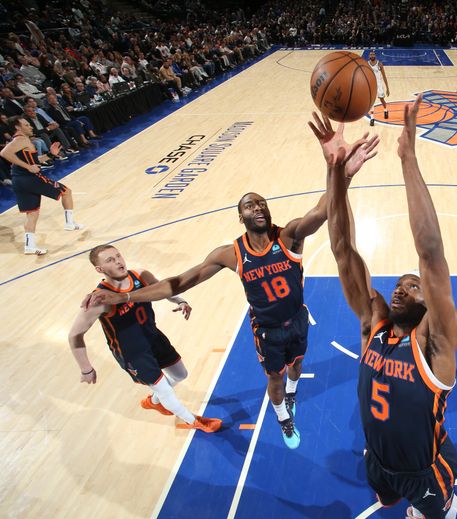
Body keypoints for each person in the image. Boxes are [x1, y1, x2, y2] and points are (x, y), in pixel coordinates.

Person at [85, 122, 379, 449]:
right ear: (241, 217)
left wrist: (341, 171)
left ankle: (292, 397)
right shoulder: (230, 254)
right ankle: (283, 415)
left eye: (260, 203)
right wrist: (126, 294)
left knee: (297, 366)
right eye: (249, 205)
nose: (257, 207)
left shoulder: (289, 236)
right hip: (266, 329)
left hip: (297, 319)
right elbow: (176, 283)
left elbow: (324, 209)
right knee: (275, 378)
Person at [319, 95, 457, 519]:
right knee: (385, 503)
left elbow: (431, 253)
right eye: (399, 283)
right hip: (377, 458)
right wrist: (336, 176)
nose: (402, 287)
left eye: (412, 285)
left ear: (427, 303)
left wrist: (408, 157)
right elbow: (343, 251)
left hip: (428, 472)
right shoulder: (374, 324)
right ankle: (410, 509)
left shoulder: (435, 341)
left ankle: (437, 514)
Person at [68, 245, 221, 432]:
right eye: (109, 260)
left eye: (118, 255)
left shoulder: (140, 276)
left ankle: (154, 401)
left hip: (153, 336)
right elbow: (74, 335)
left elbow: (164, 289)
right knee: (164, 389)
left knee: (181, 374)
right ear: (99, 270)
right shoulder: (98, 300)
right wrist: (86, 369)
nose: (118, 261)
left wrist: (180, 301)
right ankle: (194, 421)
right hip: (132, 352)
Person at [0, 116, 84, 255]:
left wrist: (51, 155)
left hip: (19, 181)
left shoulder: (22, 141)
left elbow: (35, 160)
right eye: (26, 125)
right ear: (17, 127)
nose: (30, 126)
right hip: (29, 178)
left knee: (32, 213)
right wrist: (28, 167)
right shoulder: (20, 139)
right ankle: (70, 223)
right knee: (66, 191)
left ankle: (29, 246)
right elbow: (4, 153)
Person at [367, 50, 390, 127]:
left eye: (373, 54)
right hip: (371, 85)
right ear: (369, 56)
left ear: (375, 56)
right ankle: (372, 118)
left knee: (382, 99)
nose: (372, 56)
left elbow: (384, 76)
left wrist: (387, 88)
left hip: (379, 85)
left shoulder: (379, 64)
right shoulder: (366, 64)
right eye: (371, 54)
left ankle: (385, 110)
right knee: (372, 102)